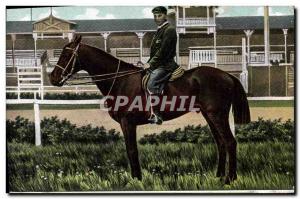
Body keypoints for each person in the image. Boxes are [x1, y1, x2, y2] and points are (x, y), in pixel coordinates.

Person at [143, 6, 179, 125]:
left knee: (152, 83)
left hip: (166, 65)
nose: (157, 18)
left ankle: (157, 114)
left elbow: (163, 51)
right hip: (158, 64)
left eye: (159, 15)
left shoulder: (169, 30)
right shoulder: (159, 30)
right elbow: (155, 53)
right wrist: (148, 63)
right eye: (155, 16)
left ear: (165, 15)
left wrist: (151, 64)